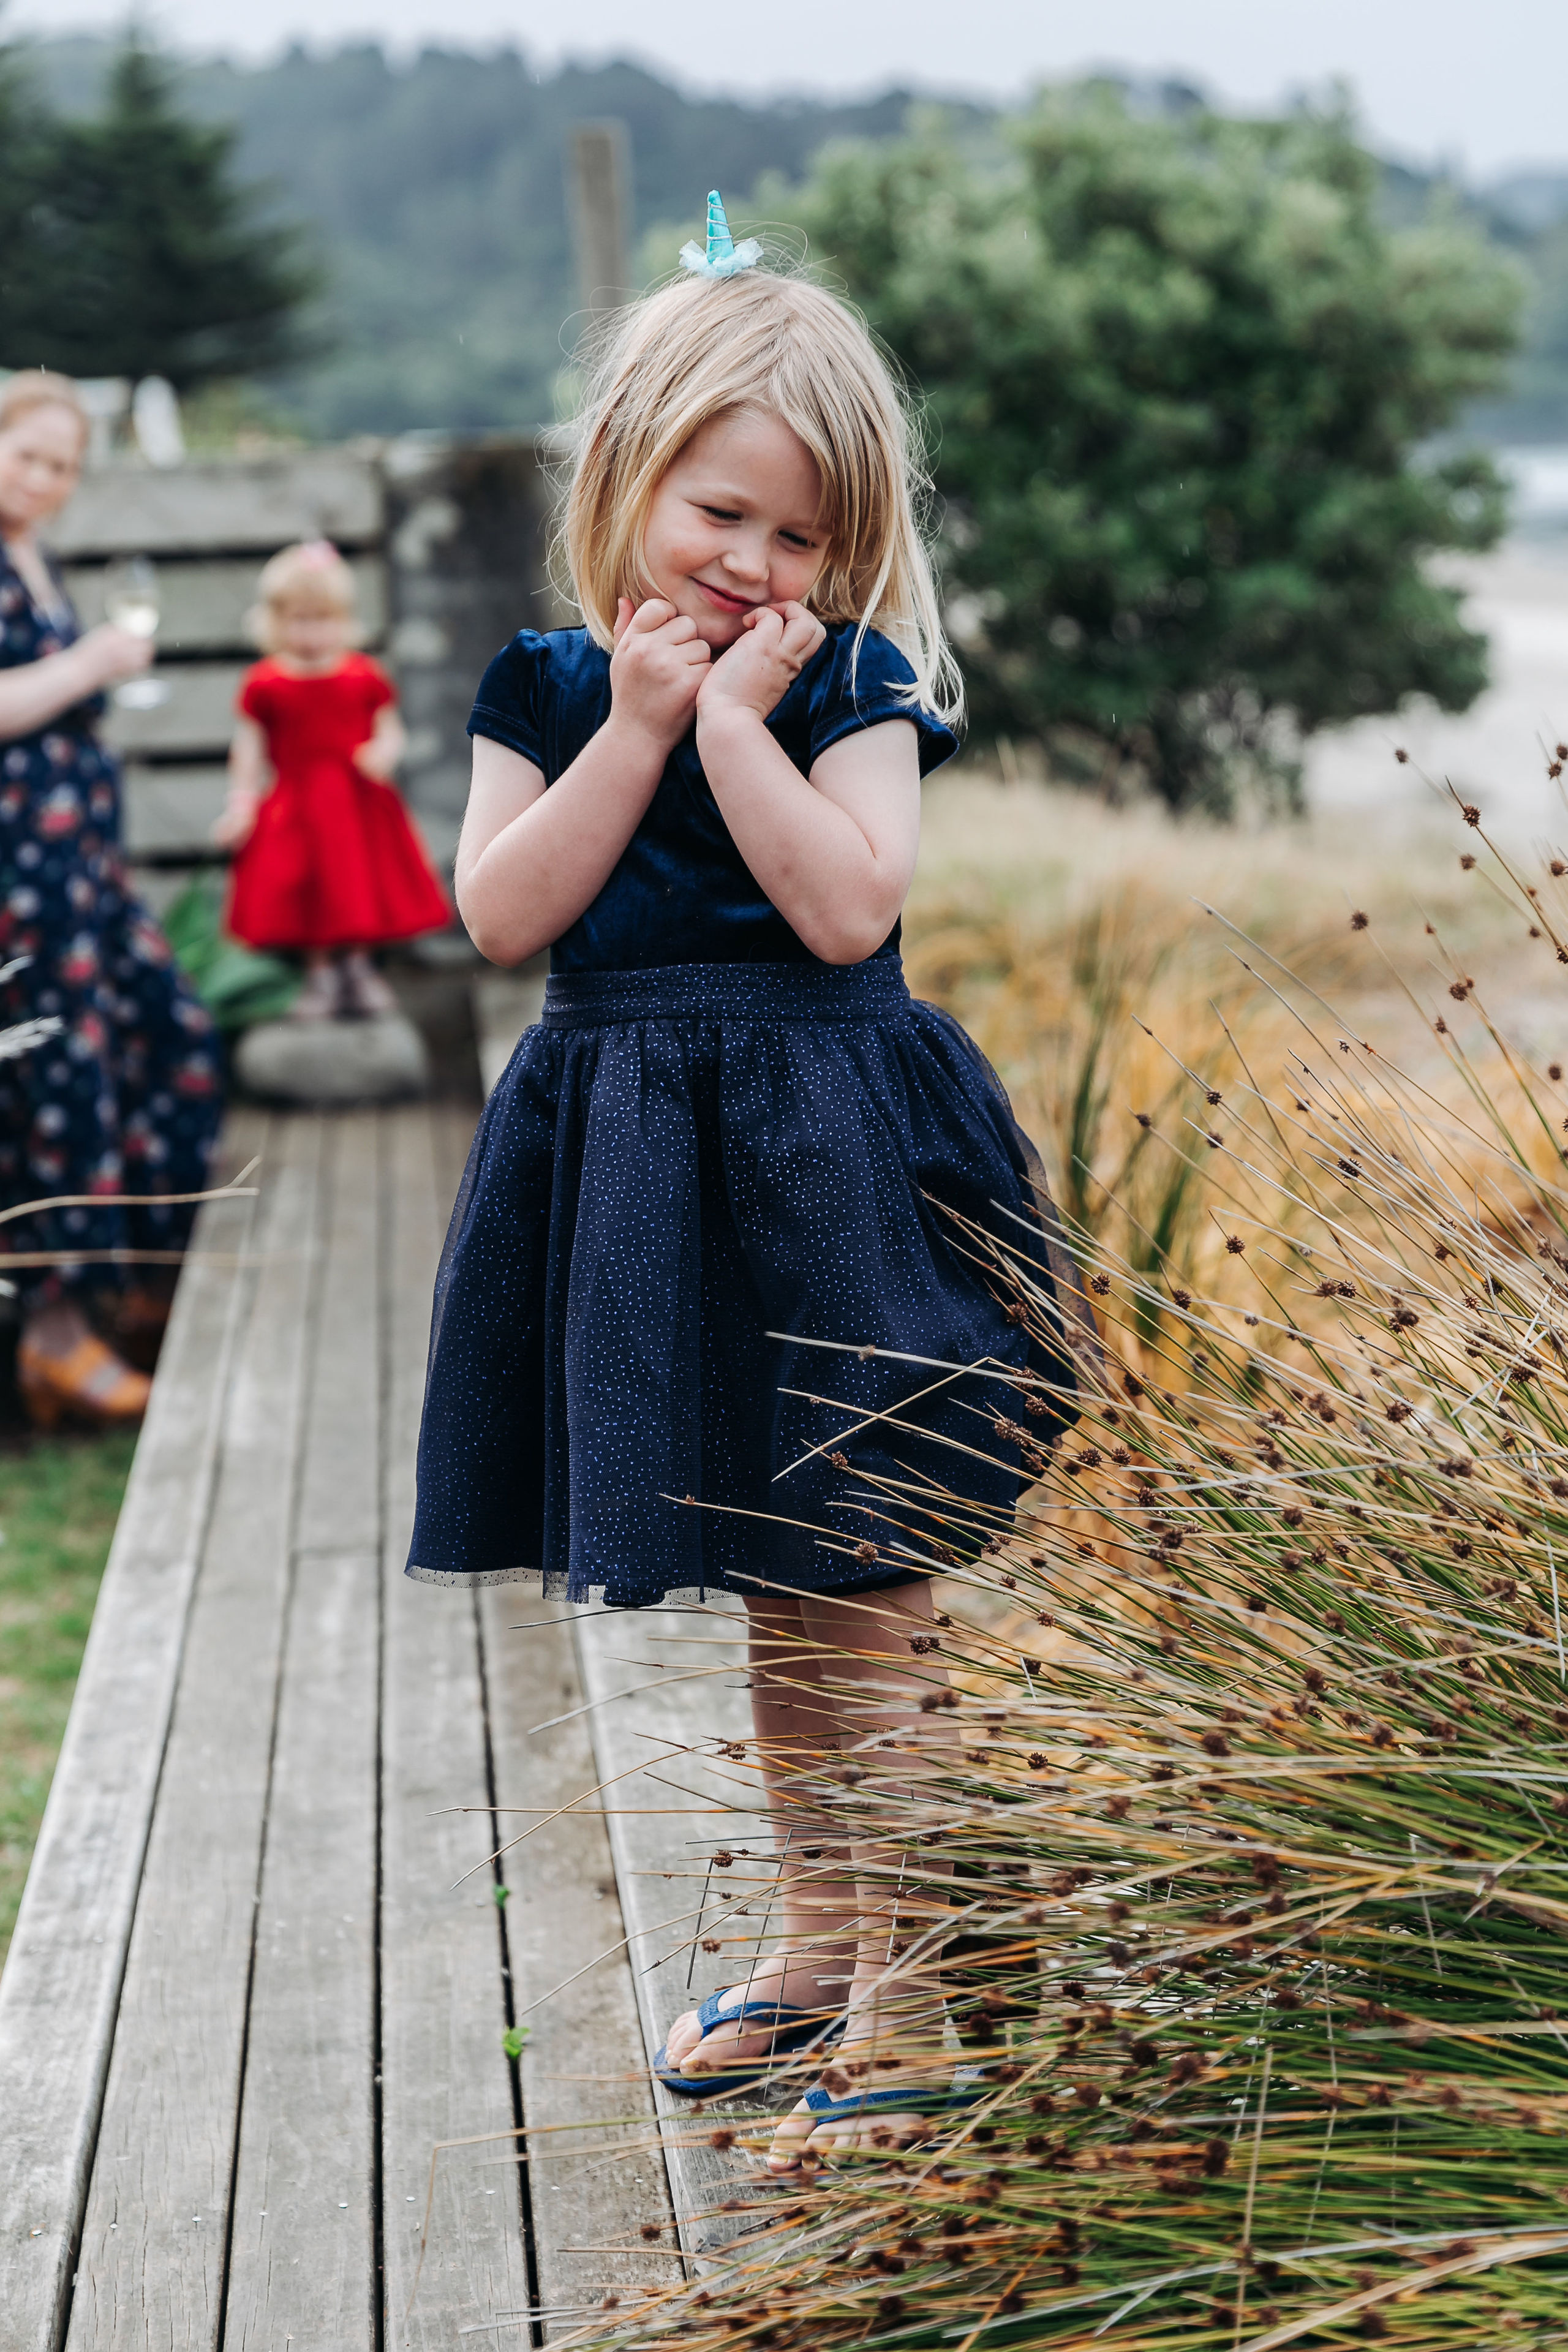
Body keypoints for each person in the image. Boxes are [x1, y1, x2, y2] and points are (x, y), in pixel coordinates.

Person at [407, 199, 1086, 2173]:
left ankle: (912, 1981)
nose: (753, 563)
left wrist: (728, 722)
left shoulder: (849, 684)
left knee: (868, 1581)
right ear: (626, 475)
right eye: (720, 513)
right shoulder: (546, 688)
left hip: (831, 1169)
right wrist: (637, 727)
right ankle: (819, 1936)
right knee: (782, 1602)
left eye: (800, 536)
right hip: (645, 1173)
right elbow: (503, 913)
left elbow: (846, 905)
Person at [0, 369, 224, 1429]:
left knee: (174, 1038)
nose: (46, 479)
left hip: (79, 868)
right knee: (57, 1082)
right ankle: (56, 1338)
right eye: (28, 456)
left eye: (64, 465)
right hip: (18, 877)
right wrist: (93, 661)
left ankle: (139, 1293)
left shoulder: (30, 553)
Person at [214, 540, 450, 1019]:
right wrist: (242, 803)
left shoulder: (363, 675)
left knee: (359, 884)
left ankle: (360, 969)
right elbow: (249, 748)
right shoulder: (265, 683)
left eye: (323, 619)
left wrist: (383, 752)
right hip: (296, 805)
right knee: (309, 890)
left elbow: (390, 728)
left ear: (344, 619)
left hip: (357, 803)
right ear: (275, 620)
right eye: (298, 620)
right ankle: (319, 973)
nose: (311, 632)